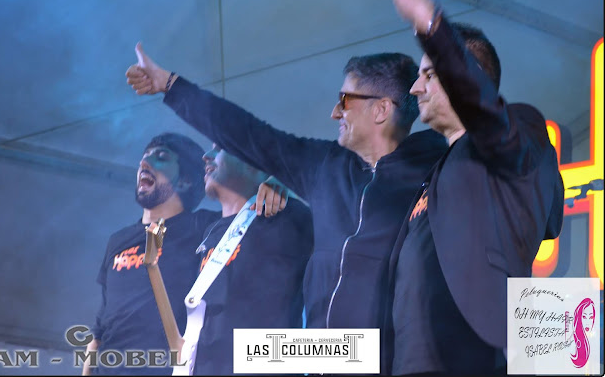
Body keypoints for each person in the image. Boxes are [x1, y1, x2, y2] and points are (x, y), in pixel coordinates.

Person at [125, 43, 448, 341]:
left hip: (400, 356)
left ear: (380, 110)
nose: (335, 112)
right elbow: (249, 134)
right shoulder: (324, 167)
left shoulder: (438, 168)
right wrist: (171, 86)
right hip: (330, 355)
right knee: (261, 353)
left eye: (345, 101)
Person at [362, 0, 564, 374]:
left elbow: (487, 114)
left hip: (471, 359)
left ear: (465, 75)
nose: (415, 88)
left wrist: (425, 15)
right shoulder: (439, 171)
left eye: (429, 74)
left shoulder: (519, 132)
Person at [84, 133, 288, 375]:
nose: (144, 162)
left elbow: (251, 212)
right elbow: (99, 327)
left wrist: (277, 184)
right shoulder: (118, 240)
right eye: (144, 156)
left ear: (185, 181)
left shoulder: (206, 228)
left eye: (161, 157)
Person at [192, 143, 313, 375]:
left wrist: (288, 183)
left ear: (252, 163)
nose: (206, 156)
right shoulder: (208, 231)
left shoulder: (288, 216)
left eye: (220, 148)